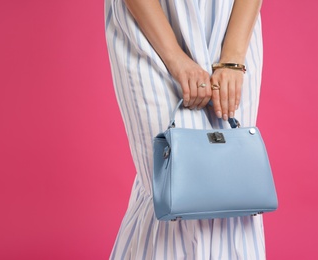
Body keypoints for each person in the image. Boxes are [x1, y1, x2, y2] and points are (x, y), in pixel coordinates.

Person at [104, 0, 265, 259]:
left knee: (235, 191)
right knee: (169, 187)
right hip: (152, 24)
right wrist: (176, 59)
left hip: (230, 26)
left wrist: (233, 59)